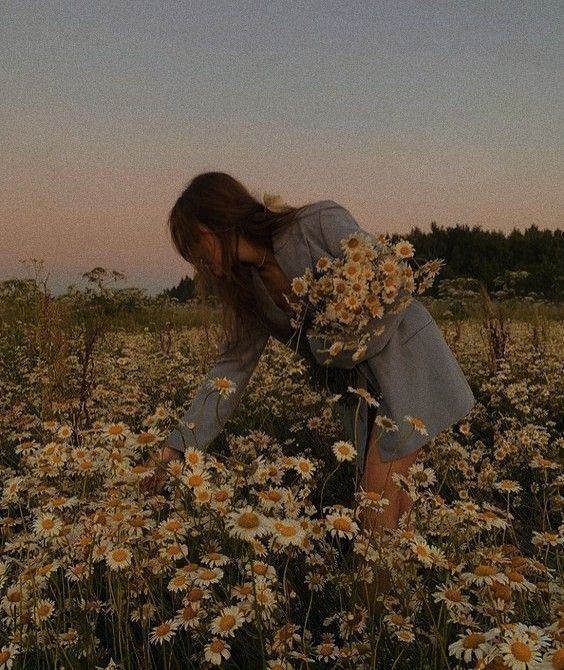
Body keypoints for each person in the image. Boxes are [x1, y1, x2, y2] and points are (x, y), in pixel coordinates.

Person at [140, 171, 476, 609]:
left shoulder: (317, 222)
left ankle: (377, 619)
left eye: (192, 247)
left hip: (408, 366)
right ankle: (405, 616)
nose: (195, 262)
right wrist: (171, 452)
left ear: (209, 228)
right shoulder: (247, 292)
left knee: (374, 507)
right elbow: (228, 373)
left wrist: (347, 338)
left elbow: (391, 281)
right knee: (392, 509)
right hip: (361, 393)